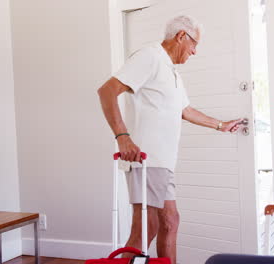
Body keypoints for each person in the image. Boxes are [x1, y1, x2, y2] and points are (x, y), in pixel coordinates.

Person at [97, 15, 242, 264]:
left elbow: (185, 110)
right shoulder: (150, 57)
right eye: (194, 44)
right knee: (146, 227)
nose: (195, 51)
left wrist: (221, 125)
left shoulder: (172, 72)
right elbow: (107, 90)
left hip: (163, 162)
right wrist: (123, 137)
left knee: (170, 221)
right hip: (146, 159)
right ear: (181, 36)